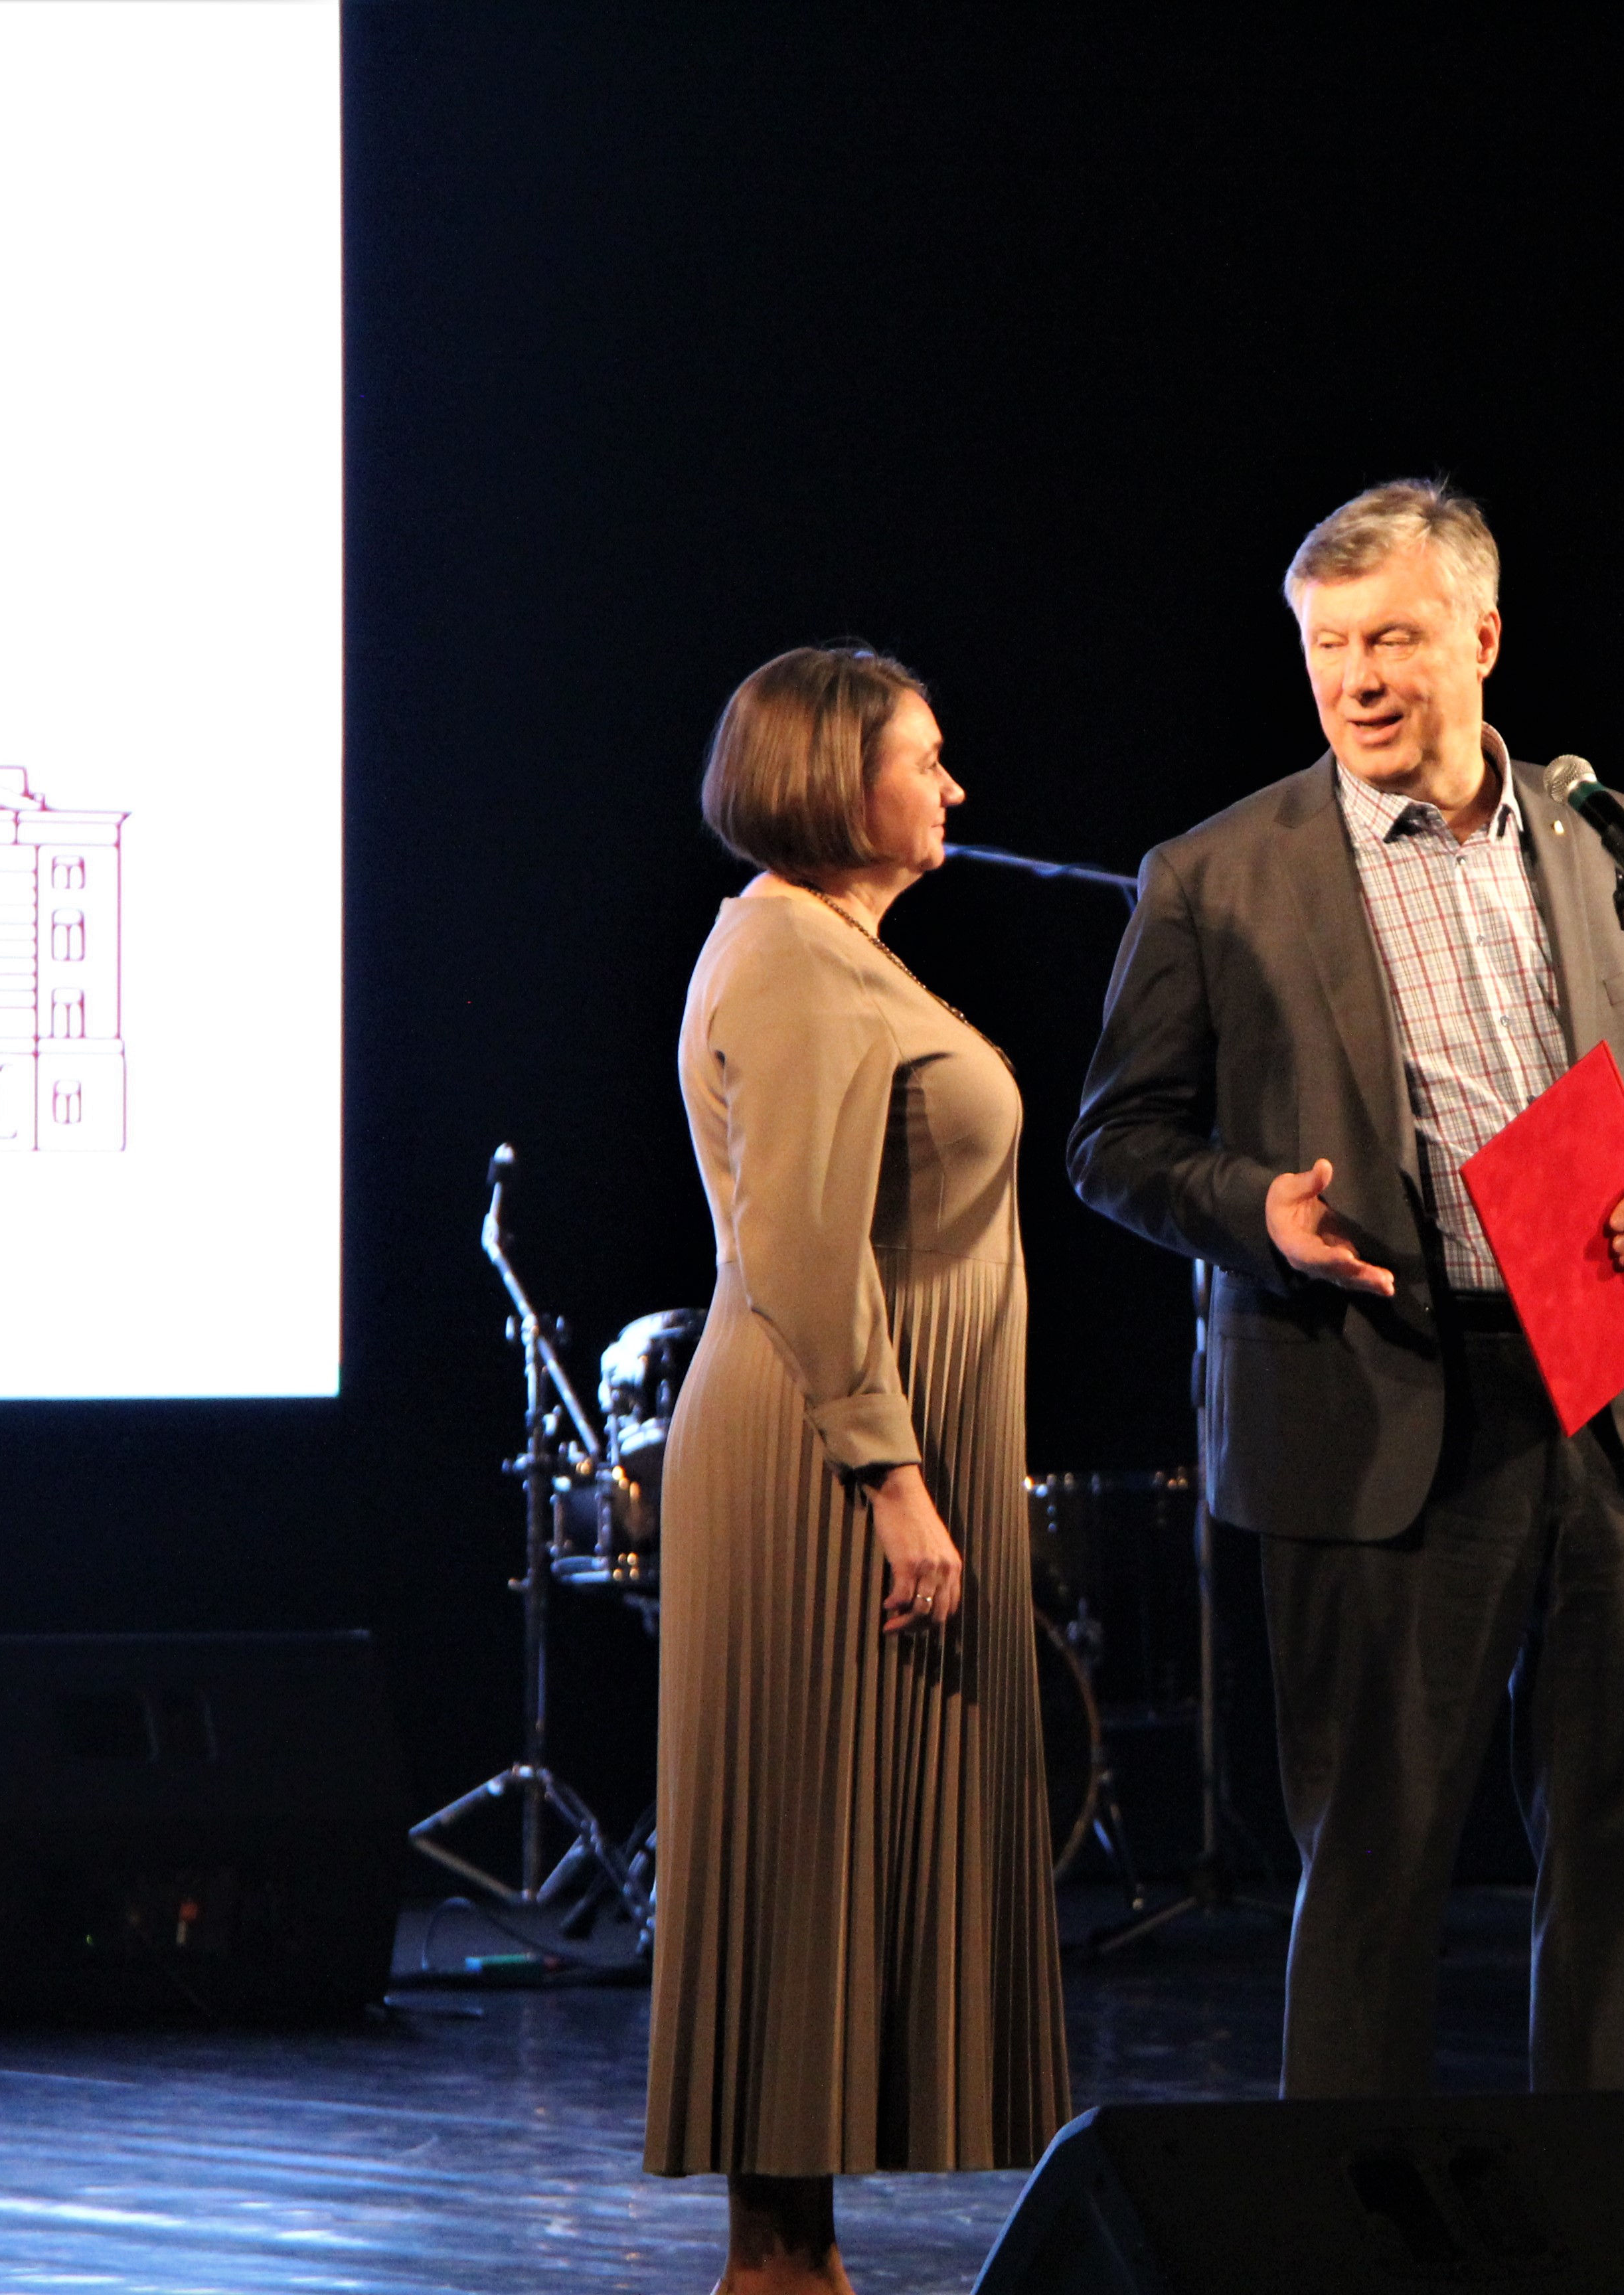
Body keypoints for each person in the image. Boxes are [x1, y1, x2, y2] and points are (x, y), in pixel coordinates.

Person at [1066, 481, 1624, 2098]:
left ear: (1483, 639)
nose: (1358, 679)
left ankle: (1599, 2200)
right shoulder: (1216, 874)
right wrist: (1255, 1211)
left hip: (1609, 1376)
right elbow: (1114, 1142)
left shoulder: (1601, 833)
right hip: (1374, 1391)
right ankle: (1350, 2212)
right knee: (1374, 1864)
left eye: (1395, 640)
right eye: (1329, 647)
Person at [646, 645, 1070, 2293]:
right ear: (838, 780)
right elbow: (804, 1252)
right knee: (799, 1853)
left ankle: (796, 2262)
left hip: (856, 1447)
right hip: (820, 1466)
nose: (954, 787)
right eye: (925, 758)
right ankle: (775, 2269)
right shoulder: (792, 959)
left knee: (837, 1853)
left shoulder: (829, 951)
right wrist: (893, 1481)